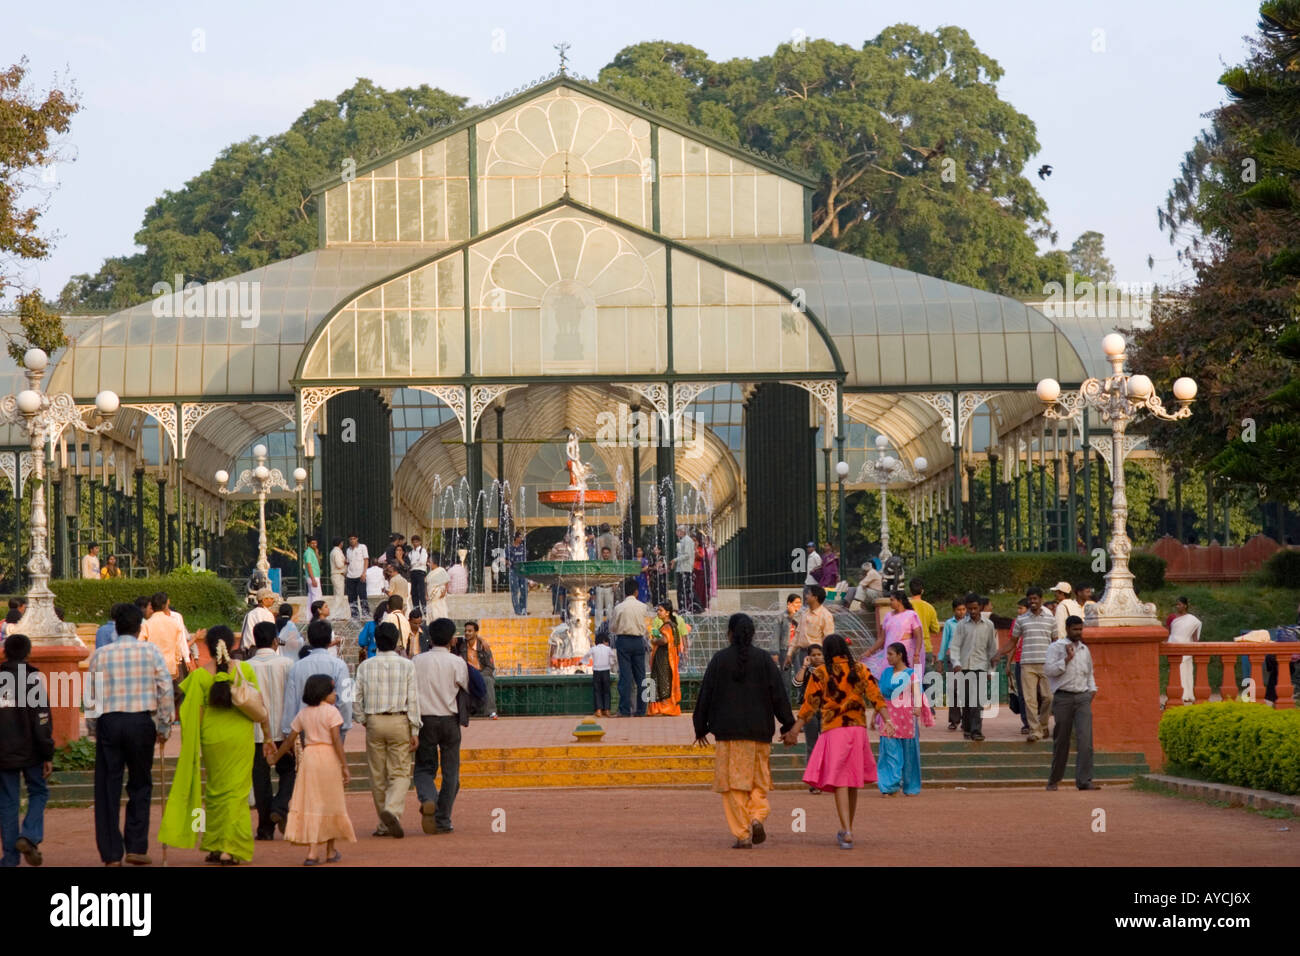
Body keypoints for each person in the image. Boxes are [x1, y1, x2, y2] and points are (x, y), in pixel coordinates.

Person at [159, 626, 271, 864]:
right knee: (237, 793)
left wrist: (192, 743)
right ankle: (229, 848)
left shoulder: (199, 676)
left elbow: (193, 716)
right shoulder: (245, 670)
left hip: (212, 739)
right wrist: (268, 737)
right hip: (240, 737)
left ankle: (215, 844)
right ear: (231, 646)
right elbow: (260, 708)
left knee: (215, 791)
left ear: (208, 648)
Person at [693, 613, 795, 849]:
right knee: (759, 782)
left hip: (729, 735)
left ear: (729, 633)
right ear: (753, 634)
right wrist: (788, 724)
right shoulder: (764, 660)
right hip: (760, 733)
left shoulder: (719, 660)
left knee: (733, 786)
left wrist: (701, 727)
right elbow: (779, 694)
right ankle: (757, 816)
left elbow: (705, 694)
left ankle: (742, 834)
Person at [86, 602, 174, 866]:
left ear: (116, 626)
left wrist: (93, 728)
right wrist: (164, 726)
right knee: (140, 783)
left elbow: (92, 697)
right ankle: (136, 846)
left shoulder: (101, 655)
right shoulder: (150, 651)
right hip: (140, 722)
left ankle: (112, 854)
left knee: (107, 788)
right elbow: (165, 688)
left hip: (110, 723)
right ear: (139, 627)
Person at [782, 633, 887, 849]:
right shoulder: (860, 669)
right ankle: (849, 829)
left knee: (840, 780)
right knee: (853, 781)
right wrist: (888, 719)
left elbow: (808, 706)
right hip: (857, 729)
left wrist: (794, 731)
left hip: (834, 729)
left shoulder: (821, 673)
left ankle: (846, 829)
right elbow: (875, 696)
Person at [273, 674, 357, 864]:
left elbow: (289, 741)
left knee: (312, 803)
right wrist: (344, 765)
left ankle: (312, 851)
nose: (335, 694)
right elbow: (336, 740)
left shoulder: (304, 713)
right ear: (323, 693)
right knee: (331, 802)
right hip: (328, 758)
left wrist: (275, 758)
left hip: (309, 758)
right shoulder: (332, 712)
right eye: (332, 691)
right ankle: (330, 849)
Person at [354, 622, 420, 838]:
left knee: (377, 774)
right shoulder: (407, 665)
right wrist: (415, 729)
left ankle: (383, 824)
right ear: (397, 641)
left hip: (374, 721)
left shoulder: (365, 666)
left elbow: (356, 699)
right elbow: (413, 700)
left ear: (376, 642)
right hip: (399, 720)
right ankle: (392, 810)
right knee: (400, 772)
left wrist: (363, 719)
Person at [0, 634, 53, 867]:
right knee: (39, 792)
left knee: (8, 802)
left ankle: (10, 858)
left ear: (5, 653)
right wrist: (47, 753)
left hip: (3, 753)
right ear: (28, 653)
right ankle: (29, 834)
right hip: (32, 751)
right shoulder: (32, 680)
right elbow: (42, 721)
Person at [412, 618, 469, 834]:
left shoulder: (417, 660)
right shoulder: (457, 662)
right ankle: (442, 817)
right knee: (451, 772)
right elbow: (464, 686)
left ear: (430, 637)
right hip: (449, 720)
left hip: (424, 720)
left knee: (424, 768)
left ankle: (428, 798)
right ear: (452, 639)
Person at [245, 622, 294, 841]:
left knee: (261, 778)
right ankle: (280, 806)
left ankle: (265, 828)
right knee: (289, 771)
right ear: (275, 640)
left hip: (257, 733)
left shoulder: (246, 666)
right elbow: (292, 699)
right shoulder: (287, 663)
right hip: (283, 731)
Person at [1044, 616, 1099, 791]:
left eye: (1080, 629)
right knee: (1062, 741)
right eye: (1075, 629)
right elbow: (1049, 671)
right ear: (1067, 629)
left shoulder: (1085, 649)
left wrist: (1092, 689)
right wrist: (1066, 659)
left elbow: (1089, 672)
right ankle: (1054, 780)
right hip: (1063, 698)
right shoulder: (1056, 648)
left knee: (1086, 740)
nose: (1078, 632)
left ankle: (1084, 780)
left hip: (1083, 696)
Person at [282, 620, 353, 745]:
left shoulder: (297, 667)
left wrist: (288, 730)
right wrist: (344, 726)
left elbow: (290, 701)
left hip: (305, 727)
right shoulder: (340, 666)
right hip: (332, 726)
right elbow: (345, 699)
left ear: (309, 638)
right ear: (328, 639)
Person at [876, 641, 924, 797]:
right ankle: (890, 786)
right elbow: (879, 697)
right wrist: (874, 715)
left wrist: (917, 706)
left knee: (909, 754)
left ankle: (911, 786)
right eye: (887, 654)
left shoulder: (911, 674)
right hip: (888, 717)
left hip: (907, 718)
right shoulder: (885, 673)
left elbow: (917, 692)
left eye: (890, 654)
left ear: (900, 655)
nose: (888, 657)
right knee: (889, 753)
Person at [948, 593, 998, 741]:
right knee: (968, 701)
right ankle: (968, 728)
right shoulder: (962, 625)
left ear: (981, 607)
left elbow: (992, 650)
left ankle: (976, 730)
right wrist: (956, 663)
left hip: (981, 666)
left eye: (975, 608)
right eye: (970, 609)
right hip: (964, 667)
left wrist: (991, 670)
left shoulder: (989, 625)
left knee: (977, 701)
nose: (973, 611)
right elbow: (955, 646)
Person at [1010, 586, 1055, 742]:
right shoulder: (1021, 619)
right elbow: (1012, 642)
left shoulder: (1051, 618)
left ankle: (1043, 725)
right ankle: (1035, 731)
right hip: (1027, 664)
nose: (1032, 602)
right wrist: (999, 654)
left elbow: (1056, 641)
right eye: (1030, 599)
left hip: (1046, 663)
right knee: (1029, 699)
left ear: (1041, 599)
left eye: (1035, 599)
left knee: (1048, 697)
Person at [610, 576, 651, 718]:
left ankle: (624, 710)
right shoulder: (643, 607)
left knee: (625, 677)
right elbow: (647, 627)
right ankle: (642, 710)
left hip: (624, 641)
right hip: (639, 641)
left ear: (624, 592)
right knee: (641, 677)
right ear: (636, 592)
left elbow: (613, 627)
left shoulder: (619, 607)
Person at [863, 590, 923, 680]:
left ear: (900, 601)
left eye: (892, 600)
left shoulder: (911, 615)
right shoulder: (888, 616)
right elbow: (881, 639)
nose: (890, 602)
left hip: (906, 654)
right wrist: (869, 652)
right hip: (890, 654)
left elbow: (918, 636)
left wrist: (917, 654)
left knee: (906, 681)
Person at [790, 643, 824, 793]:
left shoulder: (829, 669)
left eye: (819, 654)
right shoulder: (807, 671)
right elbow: (796, 684)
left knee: (827, 745)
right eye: (813, 655)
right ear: (808, 657)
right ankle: (814, 781)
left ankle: (827, 779)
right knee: (811, 745)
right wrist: (804, 667)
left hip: (826, 710)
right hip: (810, 711)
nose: (816, 657)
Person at [785, 584, 834, 672]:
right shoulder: (805, 614)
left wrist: (824, 658)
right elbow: (797, 635)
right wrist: (789, 654)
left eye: (808, 594)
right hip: (802, 653)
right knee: (804, 682)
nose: (806, 596)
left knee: (816, 682)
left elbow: (829, 639)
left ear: (815, 597)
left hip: (817, 656)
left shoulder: (826, 615)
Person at [647, 601, 683, 716]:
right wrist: (654, 633)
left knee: (662, 681)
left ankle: (664, 708)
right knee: (662, 680)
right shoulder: (670, 625)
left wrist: (654, 640)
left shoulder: (668, 626)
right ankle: (662, 708)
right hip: (665, 657)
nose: (658, 612)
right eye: (658, 610)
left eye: (661, 610)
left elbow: (664, 640)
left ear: (667, 613)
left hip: (664, 658)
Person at [141, 592, 188, 681]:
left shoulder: (146, 624)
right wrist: (177, 663)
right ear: (166, 604)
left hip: (153, 667)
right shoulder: (174, 623)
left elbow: (140, 644)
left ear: (151, 606)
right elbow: (177, 646)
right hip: (170, 667)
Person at [938, 597, 966, 730]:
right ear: (954, 610)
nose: (961, 612)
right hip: (952, 659)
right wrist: (940, 660)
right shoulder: (949, 624)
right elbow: (944, 643)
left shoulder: (969, 622)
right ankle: (954, 720)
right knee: (953, 689)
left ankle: (967, 719)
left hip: (967, 659)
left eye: (963, 609)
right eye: (959, 610)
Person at [1166, 596, 1201, 704]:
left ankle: (1188, 695)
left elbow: (1195, 638)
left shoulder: (1193, 620)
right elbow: (1168, 632)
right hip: (1174, 647)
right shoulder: (1172, 618)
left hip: (1187, 648)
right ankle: (1179, 694)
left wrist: (1196, 648)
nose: (1178, 606)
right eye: (1177, 604)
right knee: (1177, 671)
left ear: (1185, 605)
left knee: (1188, 671)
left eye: (1180, 604)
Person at [464, 621, 497, 719]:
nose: (467, 633)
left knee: (488, 680)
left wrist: (478, 675)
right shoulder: (461, 645)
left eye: (470, 631)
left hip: (481, 673)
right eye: (465, 631)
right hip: (466, 674)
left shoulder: (484, 647)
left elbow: (490, 667)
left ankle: (491, 712)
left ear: (476, 632)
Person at [908, 579, 941, 669]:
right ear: (922, 591)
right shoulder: (929, 607)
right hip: (926, 647)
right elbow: (936, 629)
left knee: (914, 680)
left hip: (910, 648)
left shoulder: (906, 606)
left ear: (910, 590)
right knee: (928, 679)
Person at [583, 630, 614, 716]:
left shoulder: (593, 649)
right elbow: (612, 658)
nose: (608, 643)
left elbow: (586, 656)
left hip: (596, 671)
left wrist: (583, 662)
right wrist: (611, 663)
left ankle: (599, 710)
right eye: (607, 641)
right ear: (604, 641)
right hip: (606, 671)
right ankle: (607, 709)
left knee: (597, 691)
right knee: (607, 691)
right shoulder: (608, 649)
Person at [240, 589, 277, 655]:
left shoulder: (250, 613)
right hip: (261, 651)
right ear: (264, 600)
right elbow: (270, 635)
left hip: (247, 651)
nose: (273, 601)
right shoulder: (267, 614)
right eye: (271, 598)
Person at [774, 592, 801, 671]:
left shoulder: (801, 616)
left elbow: (802, 628)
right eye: (796, 602)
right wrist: (775, 652)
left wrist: (792, 615)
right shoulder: (781, 617)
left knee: (799, 671)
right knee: (785, 673)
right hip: (785, 649)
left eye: (800, 602)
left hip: (798, 649)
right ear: (789, 603)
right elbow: (775, 635)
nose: (799, 604)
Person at [344, 534, 368, 620]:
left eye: (354, 539)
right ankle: (354, 615)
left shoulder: (362, 547)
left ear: (357, 539)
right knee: (351, 597)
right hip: (350, 576)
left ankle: (365, 614)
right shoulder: (348, 550)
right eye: (350, 539)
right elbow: (347, 562)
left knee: (362, 595)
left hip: (360, 575)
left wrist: (364, 573)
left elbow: (366, 560)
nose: (352, 541)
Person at [505, 531, 528, 615]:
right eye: (520, 537)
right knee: (515, 591)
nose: (522, 539)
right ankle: (517, 610)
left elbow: (525, 558)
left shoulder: (523, 548)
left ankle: (523, 609)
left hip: (522, 571)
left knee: (524, 590)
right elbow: (506, 559)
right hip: (513, 571)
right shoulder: (509, 548)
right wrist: (509, 563)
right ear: (516, 538)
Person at [674, 525, 695, 613]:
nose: (676, 533)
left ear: (682, 531)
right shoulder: (683, 540)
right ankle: (683, 608)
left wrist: (675, 560)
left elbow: (687, 555)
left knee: (683, 590)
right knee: (683, 589)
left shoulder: (687, 540)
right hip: (682, 568)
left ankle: (684, 608)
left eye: (677, 531)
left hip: (685, 568)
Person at [593, 547, 616, 626]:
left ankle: (610, 626)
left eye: (607, 553)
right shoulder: (598, 564)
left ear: (609, 554)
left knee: (610, 609)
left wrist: (615, 584)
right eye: (604, 553)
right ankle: (598, 627)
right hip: (600, 587)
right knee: (598, 609)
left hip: (609, 588)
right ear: (602, 554)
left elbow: (615, 575)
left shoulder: (612, 564)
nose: (605, 554)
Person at [408, 534, 430, 614]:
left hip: (420, 572)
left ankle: (424, 607)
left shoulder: (422, 550)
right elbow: (410, 562)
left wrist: (414, 563)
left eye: (417, 542)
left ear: (420, 542)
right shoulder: (411, 552)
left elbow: (422, 561)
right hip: (413, 572)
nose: (415, 544)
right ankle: (416, 607)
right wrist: (415, 562)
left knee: (421, 590)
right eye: (413, 542)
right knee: (413, 591)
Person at [425, 553, 450, 621]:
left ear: (434, 562)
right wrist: (426, 594)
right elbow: (427, 584)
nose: (428, 564)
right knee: (431, 612)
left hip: (439, 595)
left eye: (429, 562)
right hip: (430, 597)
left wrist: (444, 592)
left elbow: (446, 581)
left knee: (439, 611)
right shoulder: (430, 573)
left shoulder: (441, 570)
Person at [692, 531, 711, 612]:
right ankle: (694, 606)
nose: (694, 542)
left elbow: (702, 557)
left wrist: (695, 550)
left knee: (699, 590)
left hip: (700, 572)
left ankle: (701, 606)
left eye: (695, 540)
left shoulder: (701, 549)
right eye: (692, 540)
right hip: (692, 571)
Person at [329, 537, 347, 616]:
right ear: (340, 543)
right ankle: (332, 614)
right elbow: (339, 564)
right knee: (339, 596)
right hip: (338, 575)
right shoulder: (337, 552)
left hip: (337, 575)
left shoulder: (335, 551)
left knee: (339, 595)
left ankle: (339, 614)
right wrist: (345, 562)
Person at [303, 536, 323, 605]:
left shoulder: (313, 552)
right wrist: (313, 579)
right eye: (312, 543)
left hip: (315, 576)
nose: (314, 545)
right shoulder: (308, 552)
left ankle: (310, 615)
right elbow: (309, 566)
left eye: (315, 543)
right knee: (316, 597)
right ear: (308, 544)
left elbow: (319, 563)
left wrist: (317, 553)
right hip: (313, 576)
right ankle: (316, 613)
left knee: (312, 597)